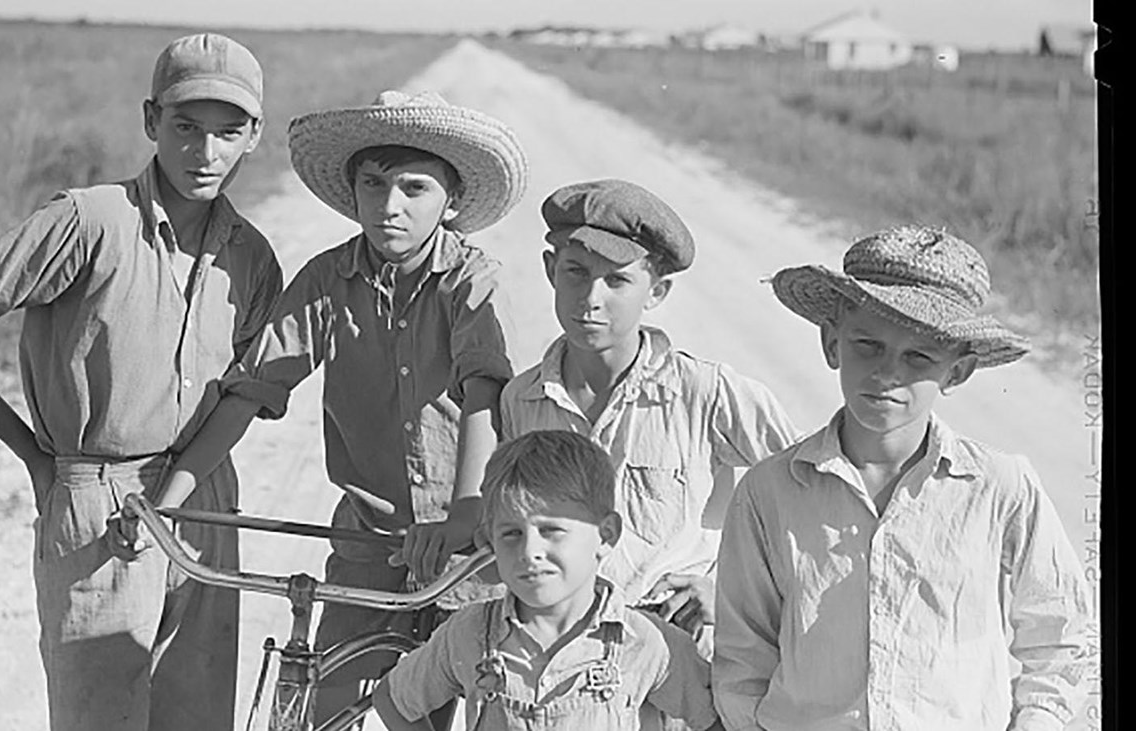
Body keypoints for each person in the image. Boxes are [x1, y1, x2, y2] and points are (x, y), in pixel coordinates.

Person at [0, 33, 280, 730]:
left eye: (228, 132)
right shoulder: (89, 220)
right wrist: (38, 460)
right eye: (186, 126)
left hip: (204, 501)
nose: (206, 152)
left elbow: (245, 393)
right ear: (149, 120)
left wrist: (177, 490)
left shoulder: (251, 256)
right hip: (98, 506)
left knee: (197, 717)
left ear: (254, 136)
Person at [186, 89, 526, 727]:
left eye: (414, 188)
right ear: (353, 190)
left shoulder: (471, 282)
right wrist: (176, 489)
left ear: (450, 204)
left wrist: (463, 520)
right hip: (368, 542)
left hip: (469, 552)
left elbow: (484, 390)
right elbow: (256, 386)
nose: (389, 205)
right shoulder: (327, 280)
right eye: (373, 184)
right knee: (325, 701)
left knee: (456, 706)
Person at [712, 225, 1092, 730]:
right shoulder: (769, 491)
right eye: (867, 344)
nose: (888, 374)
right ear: (832, 344)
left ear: (957, 373)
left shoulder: (1001, 487)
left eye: (919, 357)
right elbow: (743, 657)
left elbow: (1061, 639)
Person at [499, 179, 799, 657]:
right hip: (562, 653)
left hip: (675, 650)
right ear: (550, 269)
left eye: (617, 280)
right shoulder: (523, 400)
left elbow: (811, 500)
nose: (590, 298)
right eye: (575, 272)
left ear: (656, 291)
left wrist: (727, 587)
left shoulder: (706, 392)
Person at [373, 429, 724, 730]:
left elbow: (716, 718)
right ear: (490, 538)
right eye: (511, 533)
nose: (529, 551)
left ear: (605, 535)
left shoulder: (645, 642)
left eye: (551, 530)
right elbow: (393, 699)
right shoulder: (469, 634)